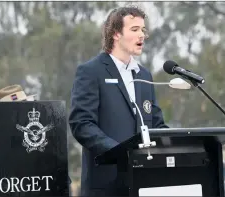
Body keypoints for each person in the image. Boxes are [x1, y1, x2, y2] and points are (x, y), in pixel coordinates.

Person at [69, 6, 168, 196]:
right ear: (116, 34)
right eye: (134, 29)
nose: (142, 35)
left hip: (144, 183)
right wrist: (119, 152)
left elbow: (156, 124)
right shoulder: (91, 71)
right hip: (106, 185)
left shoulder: (144, 75)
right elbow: (81, 124)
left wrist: (180, 143)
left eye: (143, 30)